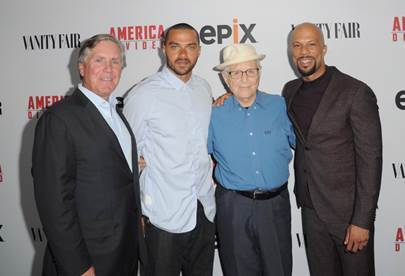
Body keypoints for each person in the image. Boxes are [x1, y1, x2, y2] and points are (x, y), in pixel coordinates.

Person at [32, 34, 145, 276]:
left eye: (115, 62)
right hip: (87, 260)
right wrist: (79, 267)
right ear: (82, 68)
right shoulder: (59, 119)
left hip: (123, 252)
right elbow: (54, 203)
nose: (108, 69)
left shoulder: (117, 114)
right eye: (99, 61)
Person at [282, 22, 382, 276]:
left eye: (311, 44)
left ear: (323, 49)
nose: (304, 51)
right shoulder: (290, 91)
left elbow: (371, 160)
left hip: (348, 213)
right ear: (291, 51)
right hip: (311, 209)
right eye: (297, 45)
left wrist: (362, 220)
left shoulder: (355, 92)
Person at [123, 23, 215, 276]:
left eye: (190, 47)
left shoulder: (203, 88)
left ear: (199, 50)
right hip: (162, 216)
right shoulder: (143, 95)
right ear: (163, 49)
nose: (183, 55)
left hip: (203, 209)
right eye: (175, 46)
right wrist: (136, 211)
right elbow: (124, 158)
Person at [209, 43, 295, 276]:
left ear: (259, 73)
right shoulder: (213, 114)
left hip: (275, 205)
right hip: (233, 207)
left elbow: (306, 144)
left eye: (250, 71)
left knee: (278, 269)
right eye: (236, 72)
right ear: (226, 79)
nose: (244, 78)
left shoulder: (279, 105)